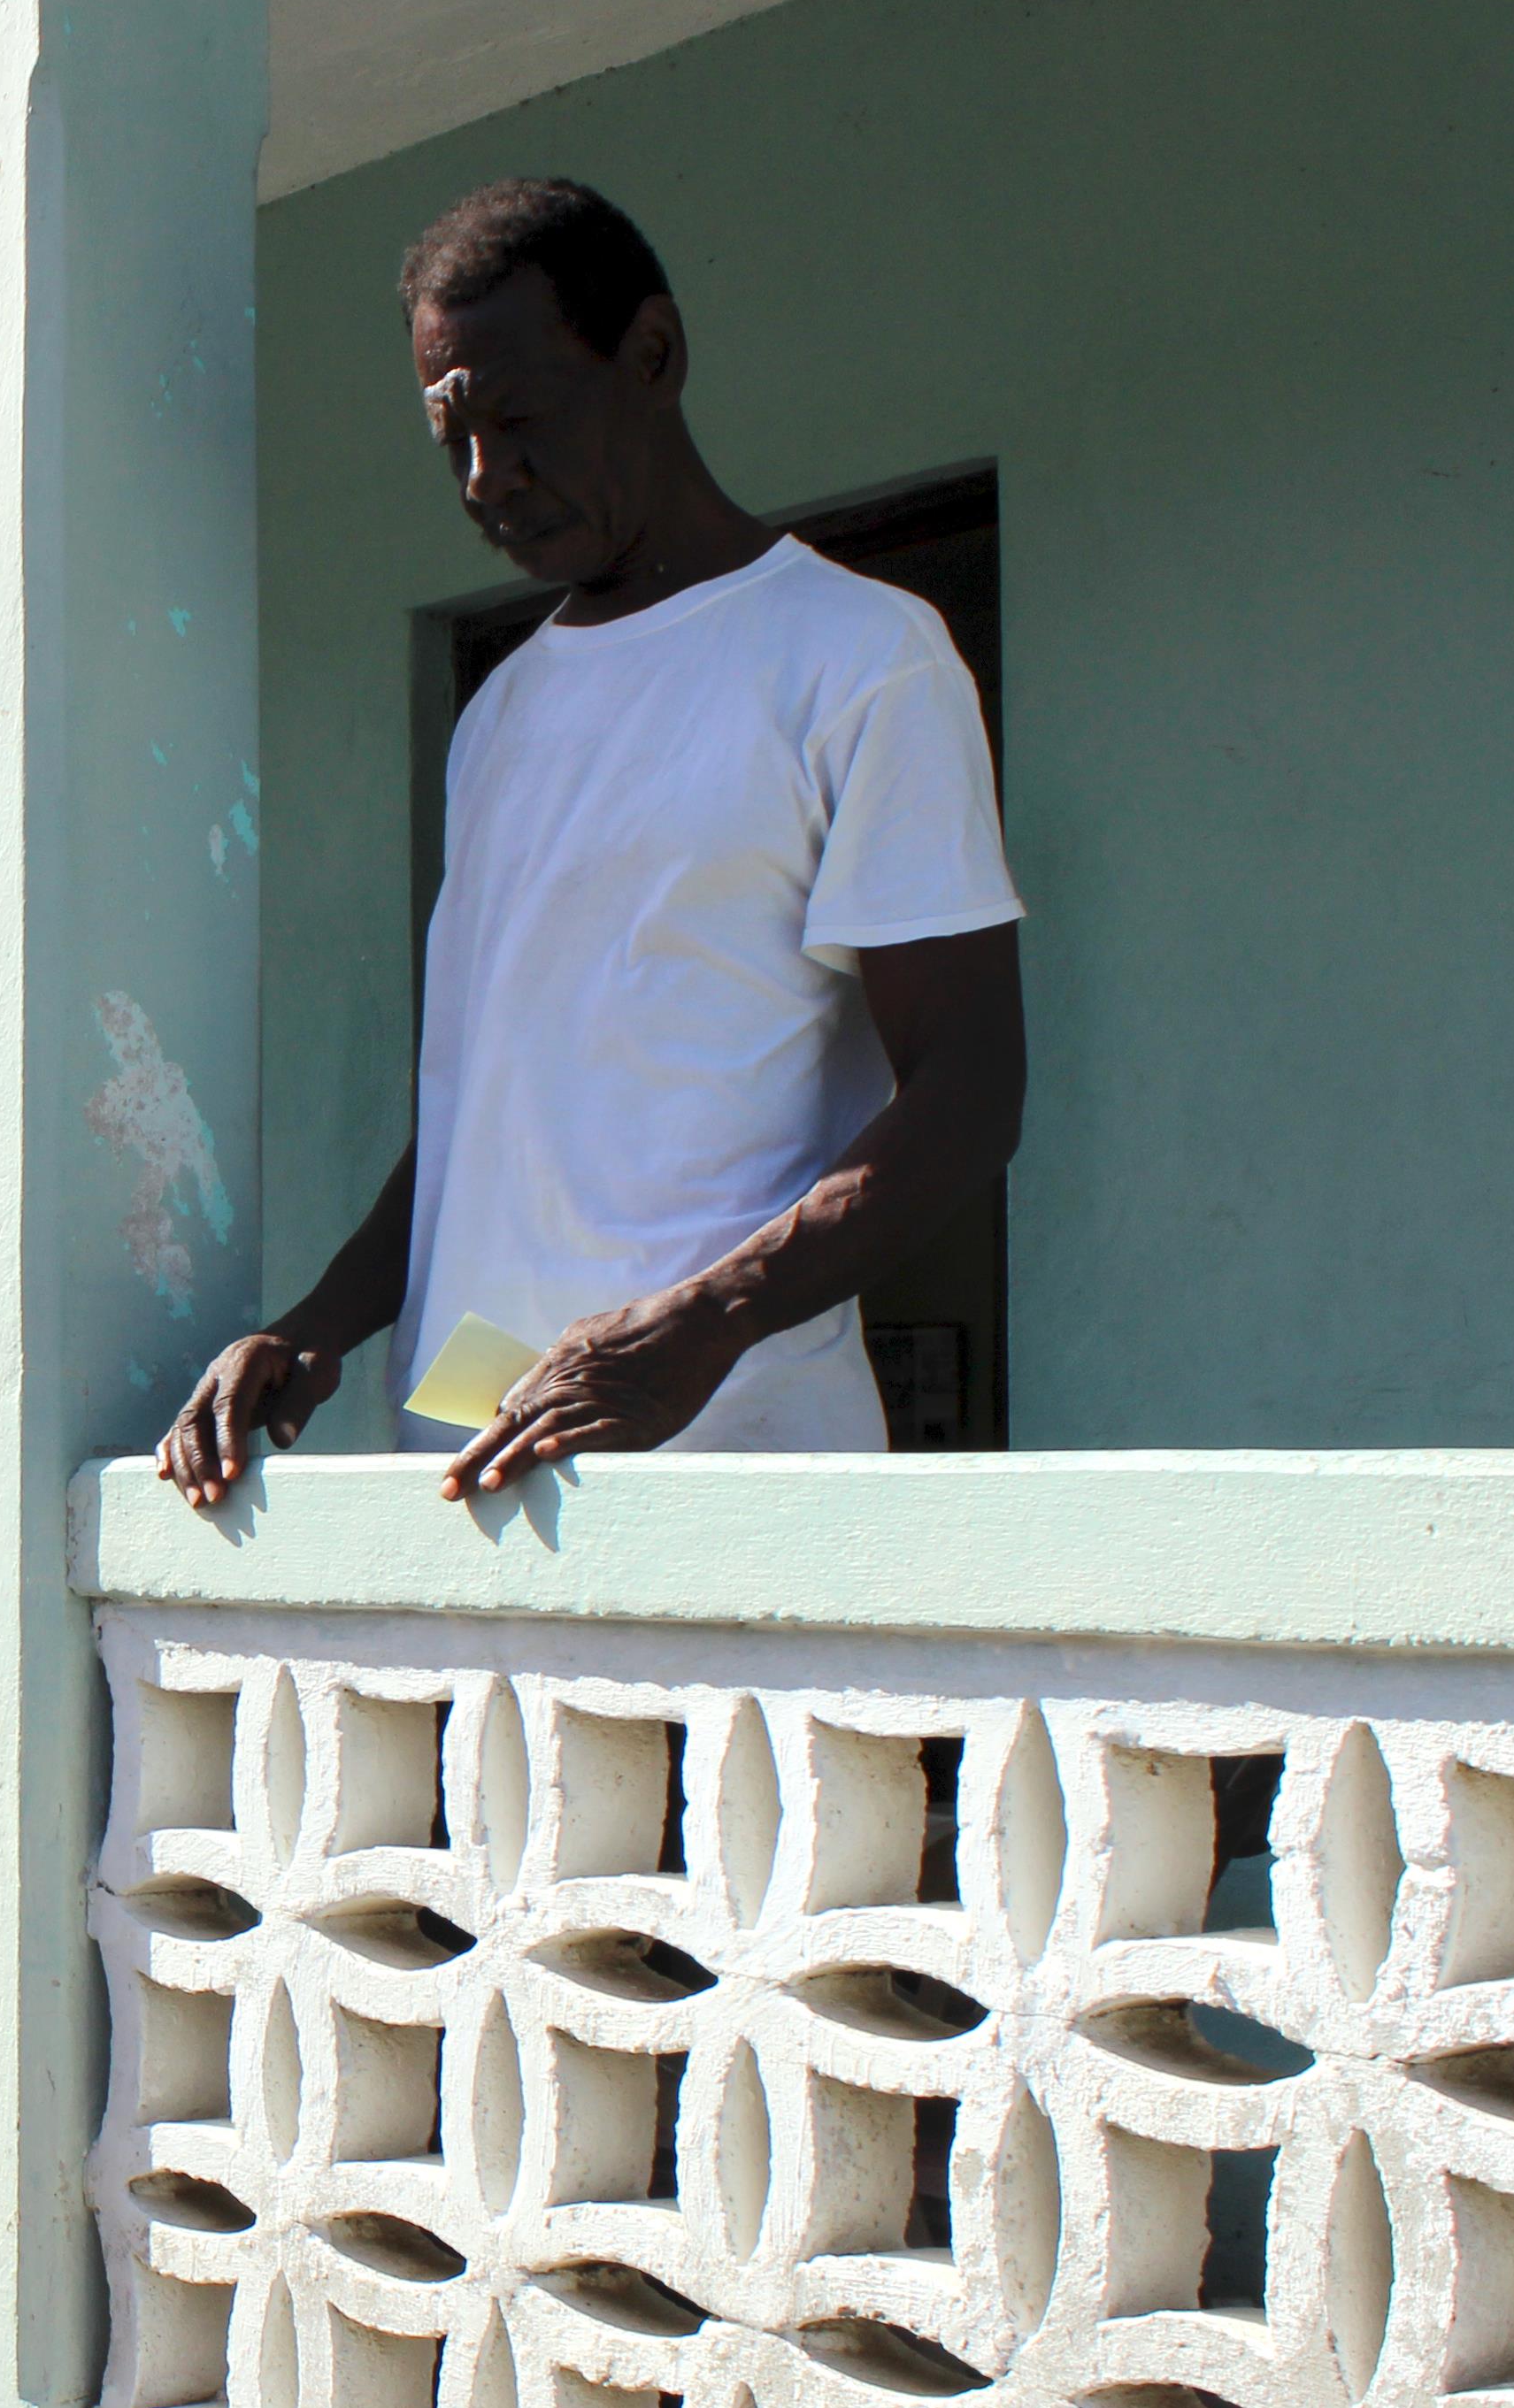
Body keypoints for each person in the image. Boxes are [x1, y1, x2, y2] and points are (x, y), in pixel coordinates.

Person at [158, 176, 1025, 1507]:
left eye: (518, 420)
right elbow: (475, 1121)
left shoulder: (859, 659)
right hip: (476, 1496)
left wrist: (706, 1322)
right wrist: (315, 1328)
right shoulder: (500, 714)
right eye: (450, 439)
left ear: (654, 357)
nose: (486, 479)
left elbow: (969, 1092)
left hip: (739, 1487)